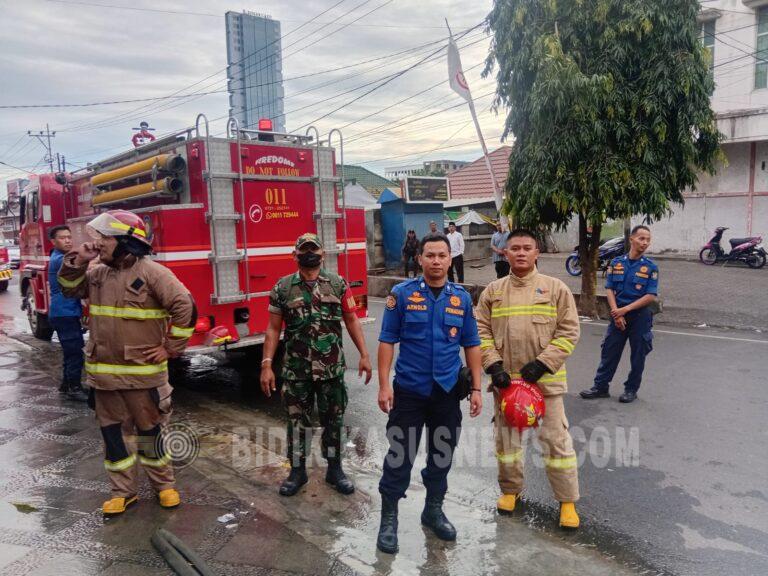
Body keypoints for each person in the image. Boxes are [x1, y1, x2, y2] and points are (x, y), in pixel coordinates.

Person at [58, 210, 196, 516]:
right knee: (114, 439)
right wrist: (78, 258)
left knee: (151, 435)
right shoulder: (96, 273)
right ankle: (123, 492)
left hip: (144, 380)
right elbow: (68, 289)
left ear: (125, 241)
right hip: (105, 381)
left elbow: (185, 306)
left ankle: (165, 487)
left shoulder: (153, 273)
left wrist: (171, 348)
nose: (98, 243)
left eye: (104, 238)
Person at [375, 232, 483, 554]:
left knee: (442, 456)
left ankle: (433, 509)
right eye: (430, 255)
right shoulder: (402, 294)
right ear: (420, 259)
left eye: (442, 255)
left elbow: (472, 344)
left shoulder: (460, 298)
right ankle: (389, 518)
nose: (436, 261)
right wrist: (383, 385)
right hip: (409, 391)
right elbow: (386, 341)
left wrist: (477, 388)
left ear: (451, 259)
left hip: (447, 392)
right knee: (399, 456)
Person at [475, 229, 581, 529]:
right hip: (506, 386)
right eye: (515, 248)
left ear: (537, 253)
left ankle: (567, 502)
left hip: (545, 385)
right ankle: (510, 492)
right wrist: (494, 366)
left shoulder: (555, 289)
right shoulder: (493, 292)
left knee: (557, 444)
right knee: (506, 444)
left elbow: (569, 332)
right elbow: (480, 331)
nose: (520, 253)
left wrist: (543, 364)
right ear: (504, 253)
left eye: (527, 248)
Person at [261, 233, 372, 497]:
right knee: (296, 423)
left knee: (334, 421)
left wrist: (365, 355)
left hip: (331, 370)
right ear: (295, 255)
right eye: (304, 250)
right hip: (297, 371)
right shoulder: (283, 288)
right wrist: (266, 364)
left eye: (314, 250)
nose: (309, 254)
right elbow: (273, 329)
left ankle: (335, 470)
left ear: (323, 255)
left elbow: (352, 319)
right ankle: (297, 472)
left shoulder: (337, 284)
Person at [580, 225, 658, 404]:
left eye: (647, 239)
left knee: (638, 355)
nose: (644, 242)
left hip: (640, 317)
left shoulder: (651, 267)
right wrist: (617, 313)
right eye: (641, 238)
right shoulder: (616, 263)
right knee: (609, 351)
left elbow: (650, 295)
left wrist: (625, 310)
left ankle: (631, 390)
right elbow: (609, 288)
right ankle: (600, 387)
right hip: (618, 316)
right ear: (631, 239)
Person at [47, 225, 88, 402]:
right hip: (64, 313)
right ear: (53, 242)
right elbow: (82, 264)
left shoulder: (58, 257)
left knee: (70, 350)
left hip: (64, 312)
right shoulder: (59, 260)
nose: (68, 240)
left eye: (69, 237)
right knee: (75, 351)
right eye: (63, 238)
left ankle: (66, 384)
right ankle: (74, 387)